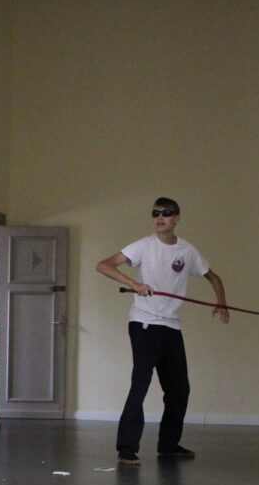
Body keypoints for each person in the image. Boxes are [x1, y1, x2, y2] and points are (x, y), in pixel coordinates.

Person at [96, 197, 229, 466]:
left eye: (166, 213)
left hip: (171, 326)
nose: (160, 217)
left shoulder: (187, 251)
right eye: (156, 213)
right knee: (141, 383)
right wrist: (134, 283)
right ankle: (126, 448)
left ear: (177, 218)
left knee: (179, 389)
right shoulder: (143, 246)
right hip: (144, 324)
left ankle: (168, 445)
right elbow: (104, 265)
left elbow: (213, 277)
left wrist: (221, 302)